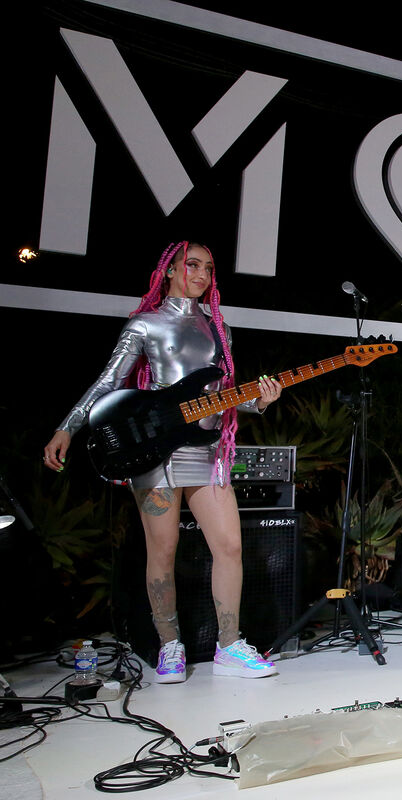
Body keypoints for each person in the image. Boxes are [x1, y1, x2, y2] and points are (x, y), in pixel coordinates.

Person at [43, 242, 283, 682]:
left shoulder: (219, 329)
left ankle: (230, 646)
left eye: (208, 267)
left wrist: (260, 401)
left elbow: (222, 395)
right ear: (169, 270)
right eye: (192, 265)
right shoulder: (146, 324)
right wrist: (67, 428)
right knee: (164, 549)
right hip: (155, 451)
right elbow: (109, 382)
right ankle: (170, 645)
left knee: (229, 546)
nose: (202, 274)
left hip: (206, 450)